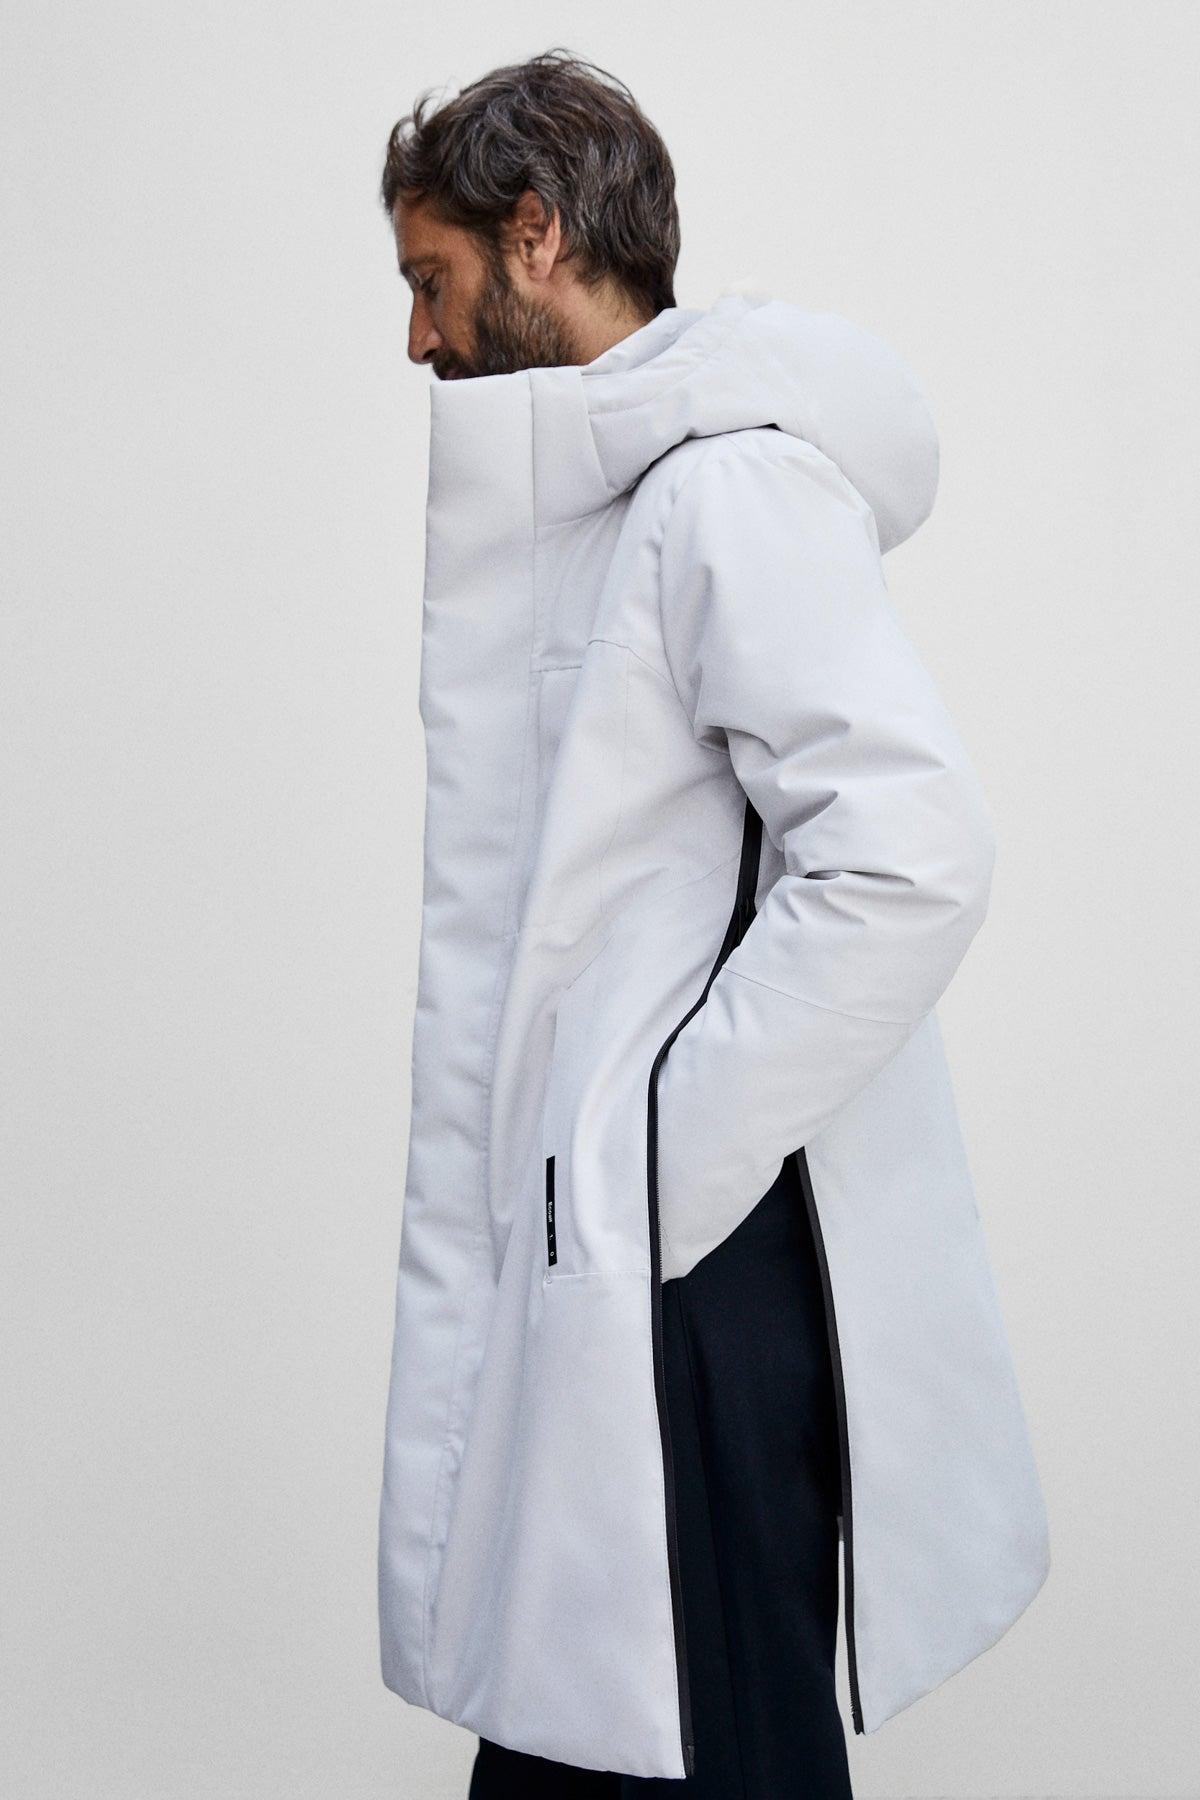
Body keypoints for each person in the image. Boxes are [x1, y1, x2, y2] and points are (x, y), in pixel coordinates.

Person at [376, 48, 1050, 1797]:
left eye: (432, 280)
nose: (417, 339)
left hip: (700, 1272)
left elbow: (909, 854)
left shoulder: (725, 492)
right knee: (579, 1738)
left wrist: (652, 1160)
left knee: (695, 1751)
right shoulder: (620, 504)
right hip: (626, 1263)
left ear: (536, 235)